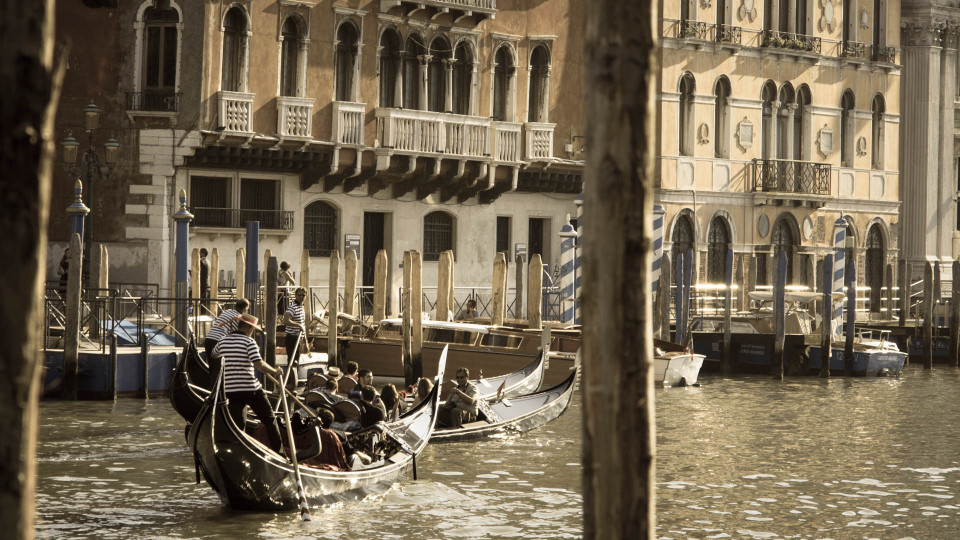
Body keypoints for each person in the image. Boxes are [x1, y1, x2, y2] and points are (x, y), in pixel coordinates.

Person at [212, 313, 284, 454]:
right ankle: (280, 452)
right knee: (270, 420)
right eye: (252, 330)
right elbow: (260, 365)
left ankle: (239, 452)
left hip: (230, 391)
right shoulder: (249, 342)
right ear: (248, 328)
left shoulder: (222, 341)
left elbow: (214, 354)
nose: (252, 332)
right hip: (251, 389)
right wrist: (276, 371)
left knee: (238, 425)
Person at [203, 298, 251, 386]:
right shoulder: (240, 318)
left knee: (212, 368)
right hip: (218, 341)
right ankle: (215, 393)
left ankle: (211, 390)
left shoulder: (227, 311)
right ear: (245, 308)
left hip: (208, 339)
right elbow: (238, 335)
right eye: (248, 308)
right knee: (218, 369)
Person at [280, 286, 310, 371]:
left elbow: (302, 326)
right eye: (299, 295)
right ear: (296, 295)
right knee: (292, 361)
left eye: (303, 295)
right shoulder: (292, 307)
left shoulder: (301, 307)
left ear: (305, 296)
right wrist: (298, 325)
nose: (301, 297)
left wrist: (305, 342)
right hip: (292, 338)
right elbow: (285, 320)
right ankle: (291, 382)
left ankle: (293, 381)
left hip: (298, 338)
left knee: (296, 361)